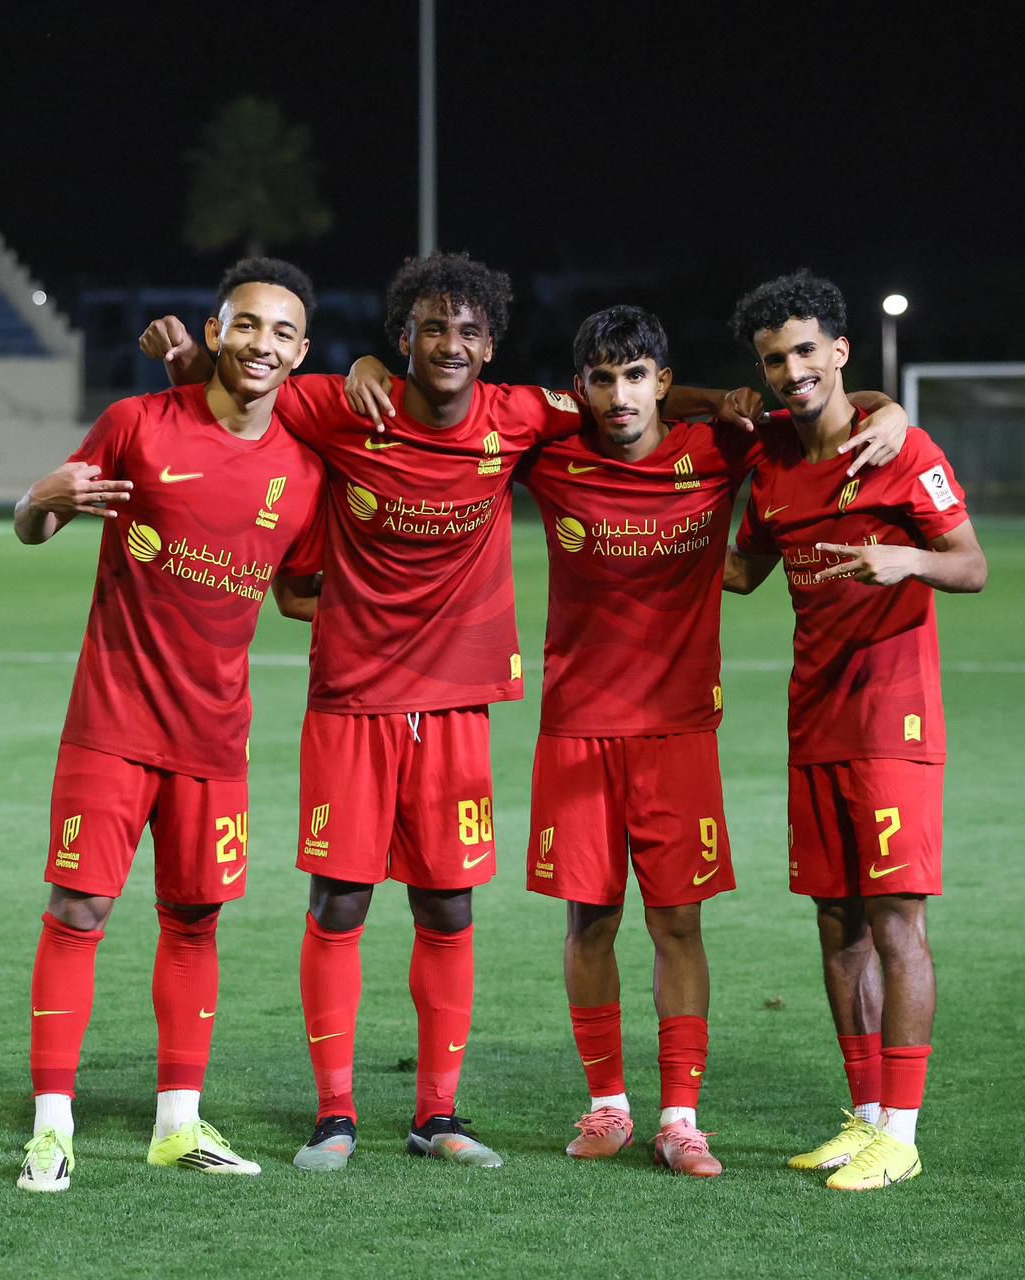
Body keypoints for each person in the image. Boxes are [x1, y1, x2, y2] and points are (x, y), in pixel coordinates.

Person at [141, 251, 755, 1172]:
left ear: (490, 344)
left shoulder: (522, 416)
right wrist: (192, 363)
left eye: (468, 330)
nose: (451, 344)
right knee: (339, 901)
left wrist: (719, 401)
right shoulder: (345, 405)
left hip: (459, 703)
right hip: (352, 696)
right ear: (405, 338)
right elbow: (240, 398)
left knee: (448, 903)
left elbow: (623, 401)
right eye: (433, 327)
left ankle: (438, 1114)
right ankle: (335, 1115)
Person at [517, 306, 907, 1176]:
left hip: (681, 729)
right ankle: (608, 1107)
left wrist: (894, 411)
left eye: (637, 376)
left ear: (662, 381)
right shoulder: (551, 456)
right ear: (582, 389)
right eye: (603, 379)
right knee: (590, 921)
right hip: (577, 727)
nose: (620, 396)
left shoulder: (721, 449)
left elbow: (822, 407)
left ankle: (680, 1119)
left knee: (677, 924)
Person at [14, 257, 326, 1192]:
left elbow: (298, 595)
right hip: (111, 723)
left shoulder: (303, 471)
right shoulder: (137, 424)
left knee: (194, 920)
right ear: (215, 331)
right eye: (246, 324)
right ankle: (51, 1130)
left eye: (281, 332)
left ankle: (178, 1126)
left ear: (301, 352)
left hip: (216, 739)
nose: (262, 344)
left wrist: (416, 600)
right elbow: (36, 523)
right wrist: (36, 502)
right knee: (80, 911)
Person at [723, 269, 987, 1191]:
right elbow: (742, 572)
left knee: (895, 920)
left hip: (892, 717)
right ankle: (866, 1117)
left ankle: (902, 1136)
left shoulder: (900, 450)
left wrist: (905, 558)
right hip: (815, 716)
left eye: (806, 351)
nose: (792, 370)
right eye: (774, 359)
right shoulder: (771, 460)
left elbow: (972, 565)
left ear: (838, 350)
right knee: (836, 922)